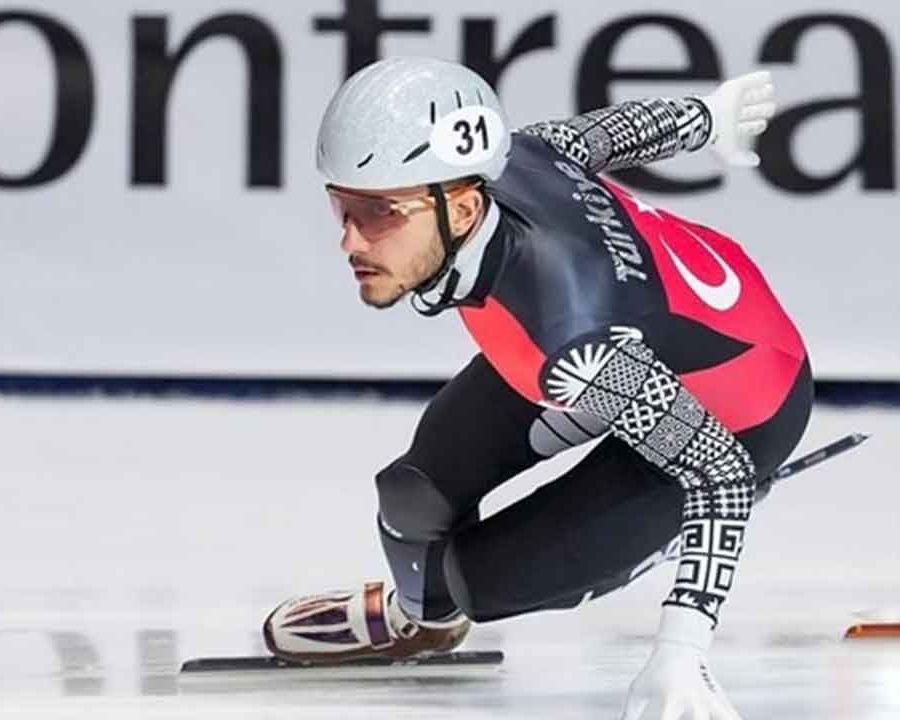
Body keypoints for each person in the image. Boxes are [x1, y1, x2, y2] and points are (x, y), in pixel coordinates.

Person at [263, 57, 812, 720]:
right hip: (640, 331)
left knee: (484, 583)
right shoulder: (516, 157)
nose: (350, 239)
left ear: (462, 207)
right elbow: (601, 135)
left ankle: (674, 529)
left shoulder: (570, 341)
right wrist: (708, 118)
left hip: (745, 404)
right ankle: (423, 619)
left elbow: (716, 468)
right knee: (412, 494)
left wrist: (682, 647)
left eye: (379, 213)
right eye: (341, 206)